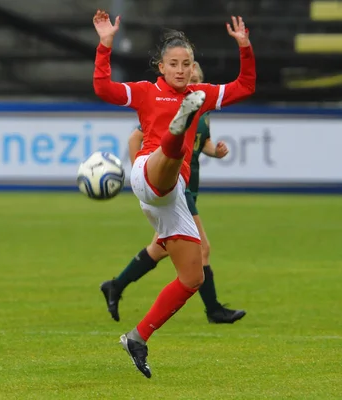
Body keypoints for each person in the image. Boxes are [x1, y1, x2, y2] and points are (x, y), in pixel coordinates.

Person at [92, 10, 255, 378]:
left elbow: (246, 85)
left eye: (187, 63)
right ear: (161, 68)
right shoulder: (147, 92)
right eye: (173, 64)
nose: (181, 70)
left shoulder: (202, 92)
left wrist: (245, 46)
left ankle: (137, 337)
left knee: (192, 278)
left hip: (171, 197)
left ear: (192, 65)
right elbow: (104, 88)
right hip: (149, 170)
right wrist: (105, 44)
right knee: (171, 156)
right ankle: (178, 130)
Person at [101, 62, 246, 325]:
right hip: (175, 189)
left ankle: (116, 285)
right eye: (193, 75)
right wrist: (142, 178)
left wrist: (217, 151)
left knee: (159, 248)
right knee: (202, 249)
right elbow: (136, 138)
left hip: (188, 186)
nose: (194, 80)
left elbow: (205, 144)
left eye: (199, 77)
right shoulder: (169, 106)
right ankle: (213, 310)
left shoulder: (202, 110)